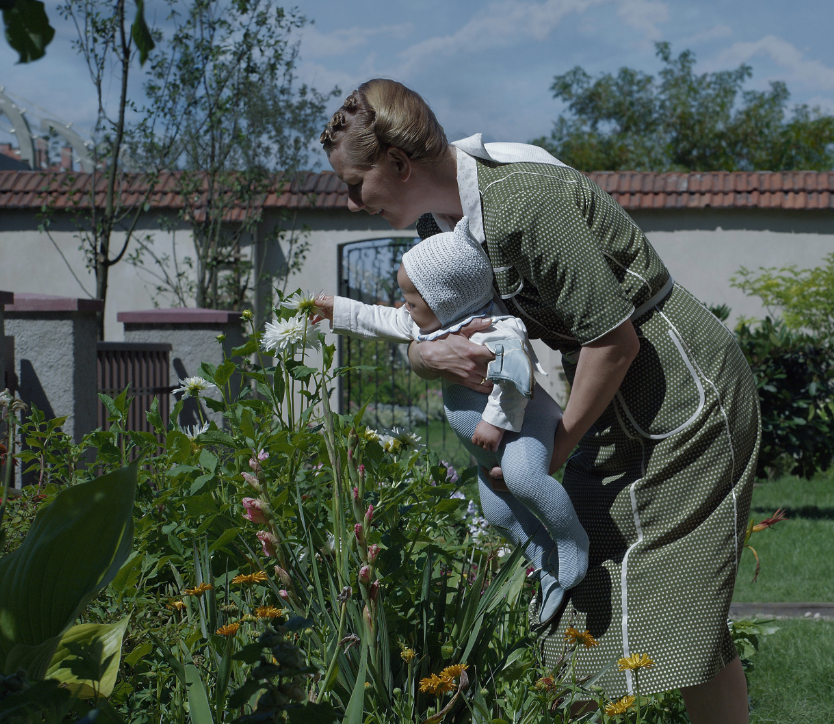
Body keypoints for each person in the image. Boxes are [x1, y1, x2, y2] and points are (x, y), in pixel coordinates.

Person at [319, 78, 760, 723]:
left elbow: (615, 342)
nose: (352, 203)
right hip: (608, 398)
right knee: (579, 589)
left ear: (399, 163)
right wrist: (425, 357)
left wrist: (557, 448)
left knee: (683, 609)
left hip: (681, 392)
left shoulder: (523, 203)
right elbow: (432, 327)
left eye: (356, 185)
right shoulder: (440, 226)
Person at [313, 217, 589, 623]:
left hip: (522, 427)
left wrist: (494, 421)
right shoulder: (431, 324)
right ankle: (544, 560)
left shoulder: (497, 329)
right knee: (498, 513)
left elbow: (517, 376)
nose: (404, 306)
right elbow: (379, 319)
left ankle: (571, 541)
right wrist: (335, 308)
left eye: (412, 301)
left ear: (445, 300)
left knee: (525, 480)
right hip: (489, 448)